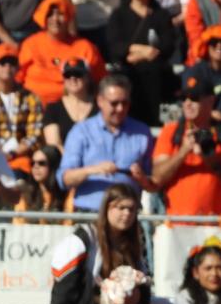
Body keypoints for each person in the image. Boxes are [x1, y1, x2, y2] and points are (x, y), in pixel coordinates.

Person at [152, 73, 221, 219]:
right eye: (184, 98)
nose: (188, 103)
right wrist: (183, 151)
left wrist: (211, 159)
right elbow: (157, 178)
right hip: (177, 226)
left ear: (211, 100)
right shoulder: (171, 132)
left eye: (194, 98)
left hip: (217, 227)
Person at [56, 72, 151, 212]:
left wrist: (142, 178)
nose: (120, 109)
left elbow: (154, 183)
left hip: (127, 214)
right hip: (89, 212)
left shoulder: (142, 132)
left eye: (125, 103)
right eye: (114, 103)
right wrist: (94, 170)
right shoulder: (81, 131)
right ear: (100, 101)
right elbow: (64, 179)